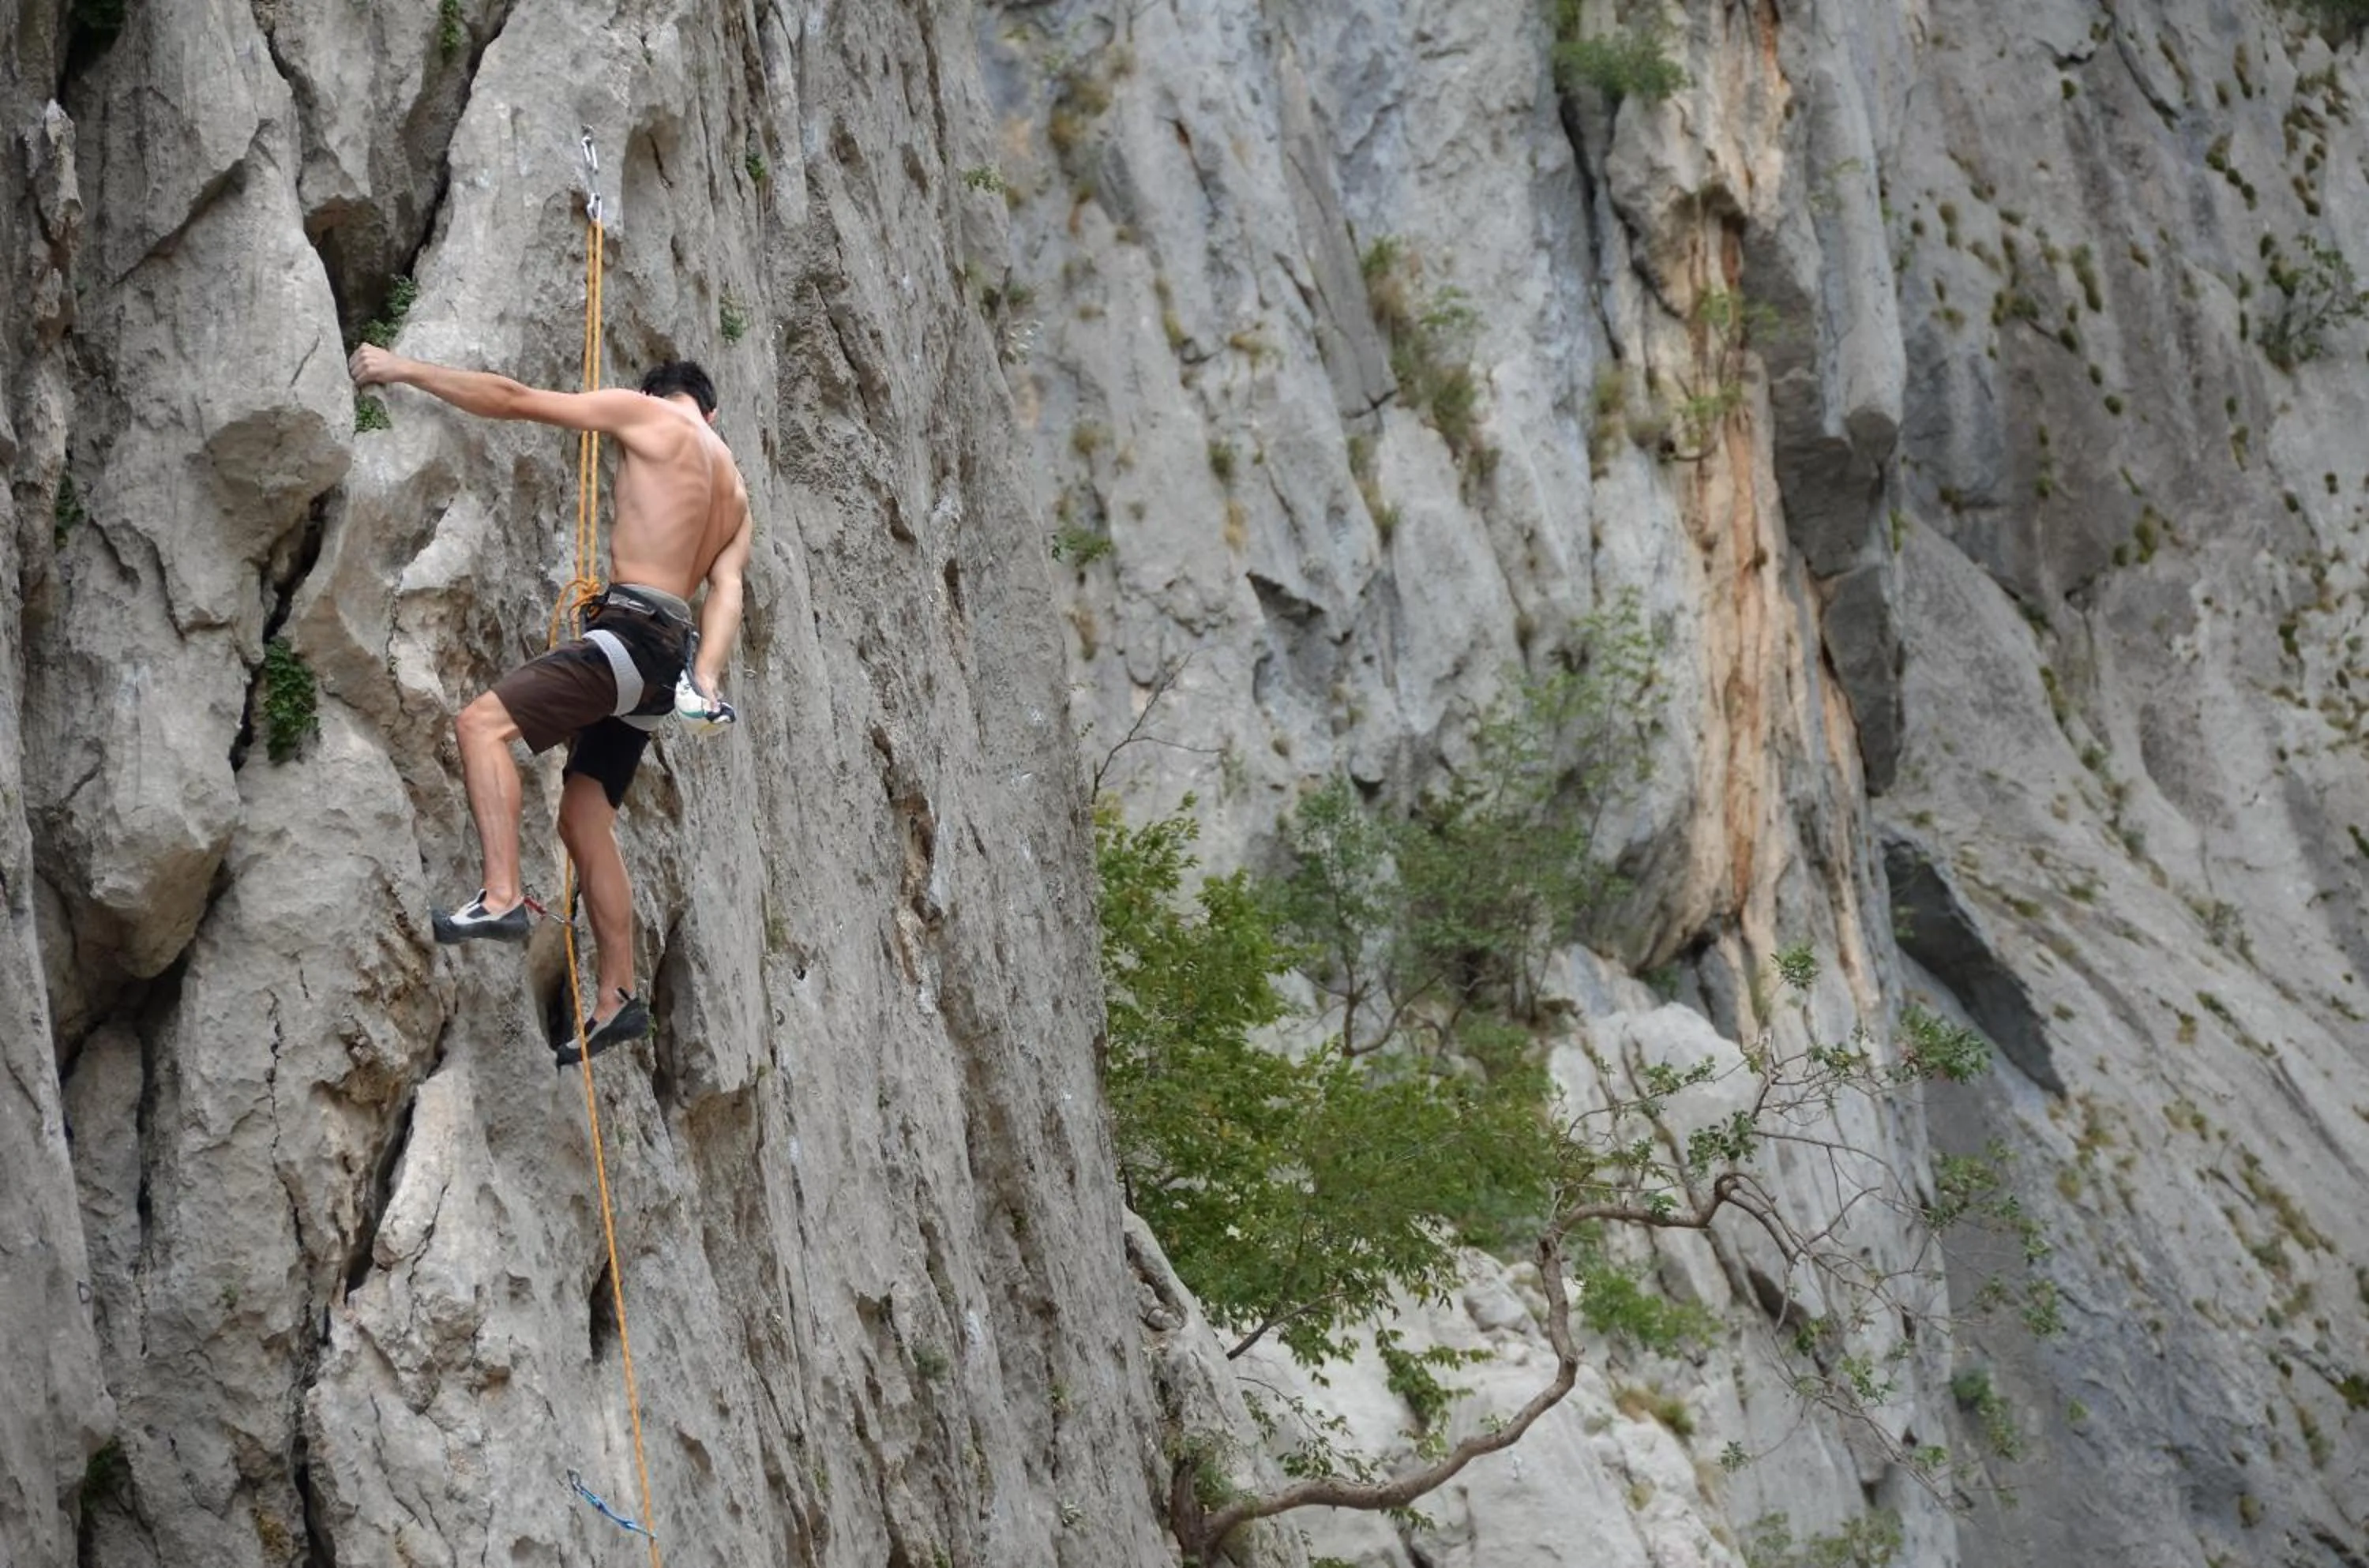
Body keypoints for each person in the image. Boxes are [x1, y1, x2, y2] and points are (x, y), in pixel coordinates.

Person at [348, 346, 752, 1063]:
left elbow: (513, 397)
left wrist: (404, 369)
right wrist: (709, 680)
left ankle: (501, 895)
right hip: (667, 667)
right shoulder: (735, 490)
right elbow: (727, 591)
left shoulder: (648, 416)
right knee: (584, 816)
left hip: (628, 634)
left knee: (480, 726)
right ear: (713, 411)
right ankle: (618, 996)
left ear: (655, 395)